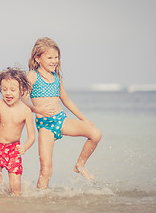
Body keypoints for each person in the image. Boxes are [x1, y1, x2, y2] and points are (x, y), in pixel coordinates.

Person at [22, 37, 102, 189]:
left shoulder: (57, 77)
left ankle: (80, 164)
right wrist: (37, 109)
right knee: (46, 170)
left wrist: (84, 119)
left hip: (61, 120)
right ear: (37, 58)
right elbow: (23, 100)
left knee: (95, 133)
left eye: (56, 57)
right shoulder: (33, 75)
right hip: (45, 125)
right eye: (50, 57)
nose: (54, 61)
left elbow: (67, 101)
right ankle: (41, 200)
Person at [0, 67, 36, 196]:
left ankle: (12, 205)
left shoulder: (26, 111)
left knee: (16, 190)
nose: (8, 93)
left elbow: (32, 136)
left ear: (21, 90)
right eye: (4, 89)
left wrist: (25, 147)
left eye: (13, 90)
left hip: (13, 149)